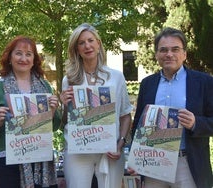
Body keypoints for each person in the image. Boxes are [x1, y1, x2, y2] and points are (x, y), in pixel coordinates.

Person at [130, 27, 213, 188]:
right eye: (163, 50)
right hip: (153, 163)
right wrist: (136, 158)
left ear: (184, 54)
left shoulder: (204, 82)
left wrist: (196, 122)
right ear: (156, 55)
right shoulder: (147, 83)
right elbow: (138, 124)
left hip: (188, 164)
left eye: (175, 49)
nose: (169, 54)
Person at [0, 36, 60, 188]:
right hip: (7, 163)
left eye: (29, 54)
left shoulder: (45, 86)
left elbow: (53, 127)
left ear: (34, 60)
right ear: (9, 57)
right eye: (18, 53)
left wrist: (53, 110)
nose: (23, 58)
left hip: (39, 160)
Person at [60, 23, 133, 188]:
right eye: (81, 43)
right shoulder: (69, 79)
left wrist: (120, 144)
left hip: (110, 151)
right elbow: (65, 122)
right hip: (78, 152)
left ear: (98, 44)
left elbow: (125, 115)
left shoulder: (116, 77)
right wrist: (64, 105)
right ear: (76, 49)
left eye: (90, 40)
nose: (87, 46)